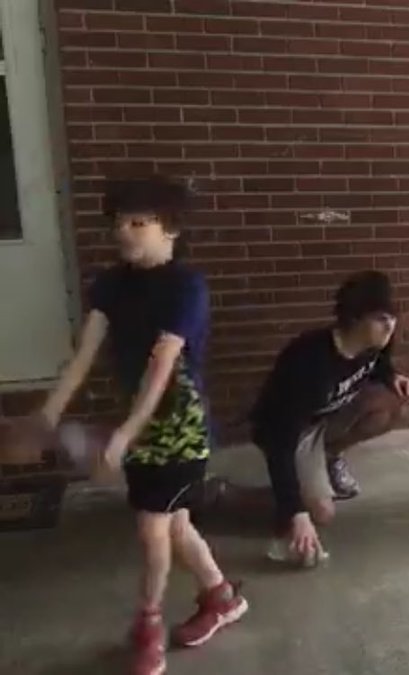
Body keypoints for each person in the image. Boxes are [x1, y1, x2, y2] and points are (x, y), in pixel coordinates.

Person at [35, 176, 247, 675]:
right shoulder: (110, 285)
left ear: (169, 229)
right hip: (138, 418)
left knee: (153, 528)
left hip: (180, 426)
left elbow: (162, 363)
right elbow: (84, 355)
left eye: (137, 223)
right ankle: (221, 596)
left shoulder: (187, 287)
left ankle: (148, 625)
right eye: (118, 223)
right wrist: (47, 414)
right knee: (174, 523)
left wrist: (126, 433)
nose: (123, 232)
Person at [248, 270, 409, 564]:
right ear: (355, 318)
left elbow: (379, 364)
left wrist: (394, 378)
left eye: (392, 318)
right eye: (381, 319)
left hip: (327, 416)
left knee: (398, 403)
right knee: (321, 513)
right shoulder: (309, 361)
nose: (390, 326)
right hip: (290, 429)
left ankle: (329, 457)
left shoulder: (375, 344)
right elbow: (280, 441)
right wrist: (295, 513)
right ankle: (226, 496)